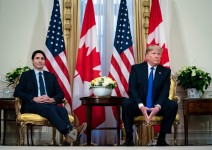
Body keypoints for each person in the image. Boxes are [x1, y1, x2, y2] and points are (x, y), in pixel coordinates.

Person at [14, 50, 87, 145]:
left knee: (62, 110)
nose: (40, 61)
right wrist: (34, 98)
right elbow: (17, 92)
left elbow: (60, 93)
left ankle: (68, 137)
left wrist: (52, 99)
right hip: (31, 105)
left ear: (45, 61)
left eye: (42, 58)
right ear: (33, 61)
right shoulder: (26, 75)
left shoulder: (50, 76)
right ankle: (69, 132)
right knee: (50, 109)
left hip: (48, 104)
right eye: (37, 58)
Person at [122, 45, 178, 146]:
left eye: (159, 54)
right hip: (139, 105)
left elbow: (165, 92)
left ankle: (161, 138)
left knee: (172, 105)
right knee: (126, 102)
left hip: (157, 105)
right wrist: (141, 105)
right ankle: (129, 138)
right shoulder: (136, 69)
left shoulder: (165, 71)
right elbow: (132, 89)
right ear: (147, 56)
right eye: (154, 53)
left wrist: (157, 106)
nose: (157, 56)